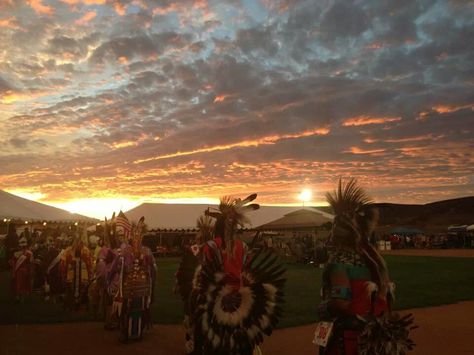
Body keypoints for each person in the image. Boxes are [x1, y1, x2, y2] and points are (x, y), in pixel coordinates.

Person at [317, 179, 415, 355]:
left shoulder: (340, 262)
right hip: (373, 340)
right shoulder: (373, 261)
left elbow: (342, 303)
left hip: (349, 340)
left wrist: (324, 307)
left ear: (337, 233)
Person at [186, 194, 286, 355]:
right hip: (241, 300)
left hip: (216, 300)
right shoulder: (243, 246)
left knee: (198, 314)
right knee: (242, 337)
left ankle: (197, 345)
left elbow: (206, 272)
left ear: (216, 228)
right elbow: (246, 270)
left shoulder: (210, 246)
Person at [108, 216, 156, 342]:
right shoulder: (143, 251)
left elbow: (116, 266)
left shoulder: (137, 252)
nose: (136, 239)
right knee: (133, 309)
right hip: (135, 286)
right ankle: (134, 332)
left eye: (137, 236)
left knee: (132, 309)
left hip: (135, 287)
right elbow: (153, 269)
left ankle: (132, 333)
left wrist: (111, 276)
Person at [61, 229, 93, 311]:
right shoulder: (69, 250)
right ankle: (73, 306)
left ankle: (79, 306)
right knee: (72, 292)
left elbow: (89, 263)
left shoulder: (85, 250)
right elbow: (64, 263)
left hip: (81, 277)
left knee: (81, 292)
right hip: (73, 277)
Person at [9, 236, 34, 302]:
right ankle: (21, 296)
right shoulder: (29, 253)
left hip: (19, 271)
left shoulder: (16, 253)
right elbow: (31, 263)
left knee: (18, 283)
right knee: (22, 284)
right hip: (24, 271)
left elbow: (11, 263)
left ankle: (18, 296)